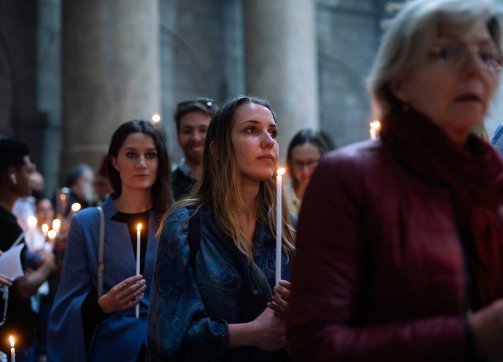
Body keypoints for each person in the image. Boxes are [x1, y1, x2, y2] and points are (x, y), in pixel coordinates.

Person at [287, 0, 503, 361]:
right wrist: (467, 337)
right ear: (399, 83)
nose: (474, 70)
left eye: (485, 55)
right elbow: (314, 344)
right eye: (447, 52)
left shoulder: (490, 179)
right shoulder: (347, 178)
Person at [148, 96, 295, 361]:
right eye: (251, 130)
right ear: (217, 148)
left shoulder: (289, 226)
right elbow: (167, 336)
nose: (268, 141)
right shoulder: (185, 225)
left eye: (272, 132)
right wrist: (251, 332)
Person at [47, 120, 173, 361]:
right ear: (115, 161)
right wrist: (102, 305)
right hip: (113, 348)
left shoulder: (176, 221)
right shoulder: (88, 224)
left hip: (166, 346)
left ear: (160, 162)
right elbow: (65, 308)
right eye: (131, 155)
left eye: (150, 155)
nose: (142, 164)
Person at [0, 138, 58, 361]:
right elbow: (21, 288)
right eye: (28, 170)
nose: (32, 178)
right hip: (11, 338)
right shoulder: (6, 224)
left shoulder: (10, 219)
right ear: (12, 173)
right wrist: (48, 265)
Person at [172, 97, 217, 200]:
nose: (196, 138)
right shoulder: (166, 186)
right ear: (178, 136)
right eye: (187, 131)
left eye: (203, 130)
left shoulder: (230, 181)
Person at [285, 129, 332, 215]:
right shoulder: (281, 197)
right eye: (299, 163)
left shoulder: (334, 195)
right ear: (290, 163)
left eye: (310, 162)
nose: (305, 171)